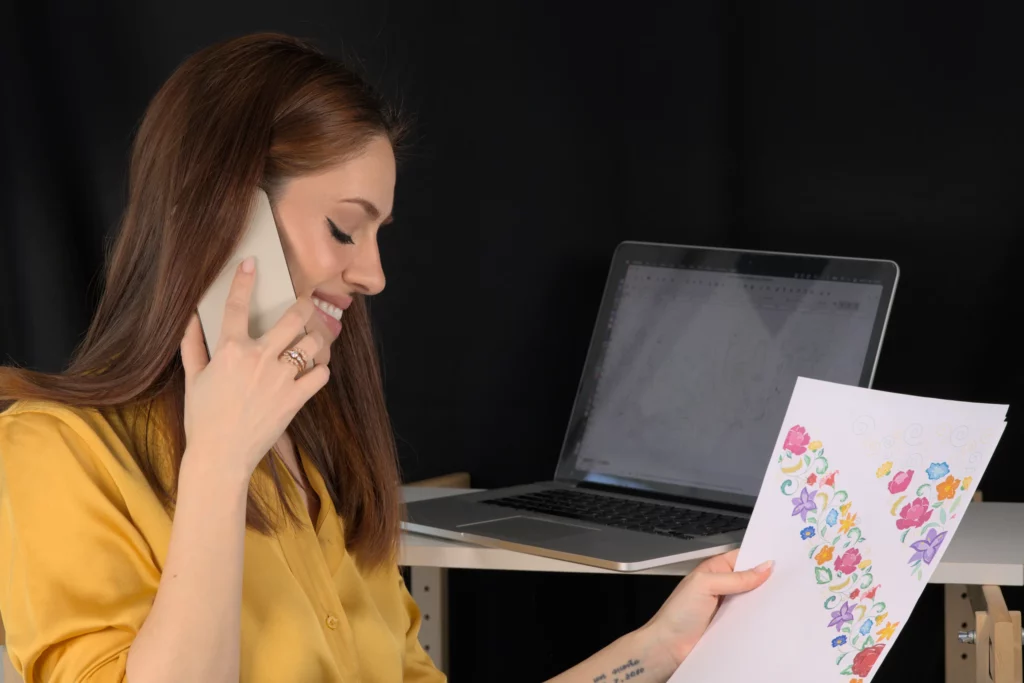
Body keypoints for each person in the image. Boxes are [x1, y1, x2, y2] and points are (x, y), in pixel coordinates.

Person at [0, 33, 772, 683]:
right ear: (226, 220)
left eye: (379, 234)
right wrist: (217, 466)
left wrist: (656, 649)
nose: (373, 276)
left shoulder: (316, 459)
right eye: (345, 228)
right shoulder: (51, 453)